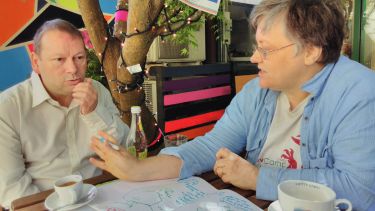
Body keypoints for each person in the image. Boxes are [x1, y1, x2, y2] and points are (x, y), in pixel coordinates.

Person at [89, 0, 375, 210]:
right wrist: (138, 170)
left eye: (265, 49)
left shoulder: (359, 94)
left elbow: (360, 190)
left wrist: (258, 178)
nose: (253, 58)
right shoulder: (258, 91)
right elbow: (209, 147)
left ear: (312, 51)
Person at [0, 19, 129, 208]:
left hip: (99, 196)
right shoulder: (8, 108)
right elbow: (11, 188)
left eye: (79, 57)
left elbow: (123, 149)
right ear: (36, 62)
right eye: (60, 59)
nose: (73, 69)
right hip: (41, 204)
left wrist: (94, 112)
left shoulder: (97, 91)